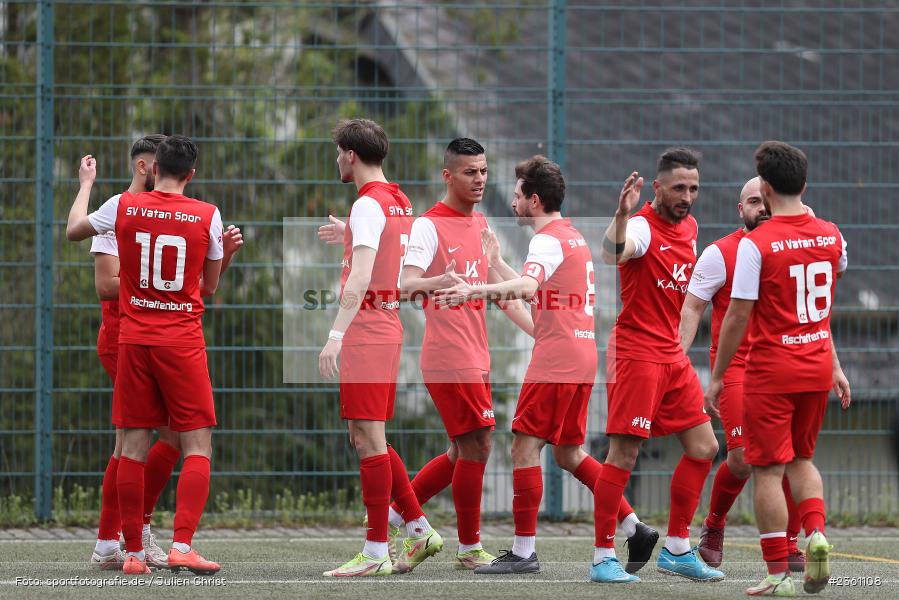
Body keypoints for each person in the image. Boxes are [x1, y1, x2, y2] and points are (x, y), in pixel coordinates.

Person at [435, 156, 656, 576]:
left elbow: (526, 286)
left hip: (556, 362)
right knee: (570, 454)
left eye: (517, 195)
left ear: (533, 200)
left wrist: (474, 290)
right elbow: (537, 306)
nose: (513, 202)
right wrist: (497, 263)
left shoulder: (546, 241)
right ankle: (633, 525)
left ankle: (523, 552)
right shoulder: (569, 237)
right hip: (580, 356)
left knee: (524, 447)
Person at [67, 135, 226, 576]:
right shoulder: (207, 214)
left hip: (134, 338)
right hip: (181, 340)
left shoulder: (122, 207)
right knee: (197, 442)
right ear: (191, 175)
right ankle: (181, 544)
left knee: (131, 446)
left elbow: (74, 231)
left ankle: (132, 552)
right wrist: (224, 254)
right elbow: (208, 287)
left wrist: (84, 185)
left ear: (154, 169)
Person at [705, 141, 850, 596]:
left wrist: (717, 374)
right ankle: (816, 533)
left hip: (772, 370)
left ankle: (777, 573)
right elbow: (833, 279)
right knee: (803, 461)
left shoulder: (755, 245)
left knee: (767, 469)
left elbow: (737, 315)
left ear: (764, 189)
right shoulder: (831, 235)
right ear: (804, 183)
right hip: (816, 367)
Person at [592, 148, 724, 584]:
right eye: (679, 187)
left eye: (694, 188)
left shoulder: (691, 227)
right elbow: (615, 251)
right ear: (657, 187)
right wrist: (621, 214)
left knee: (705, 448)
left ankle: (677, 548)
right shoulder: (643, 228)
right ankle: (602, 557)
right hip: (637, 354)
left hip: (671, 356)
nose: (687, 195)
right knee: (624, 453)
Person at [318, 119, 441, 577]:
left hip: (367, 330)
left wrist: (335, 334)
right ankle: (417, 527)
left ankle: (375, 553)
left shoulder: (368, 205)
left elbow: (364, 274)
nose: (337, 161)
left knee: (368, 440)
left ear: (350, 155)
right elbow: (382, 250)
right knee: (367, 436)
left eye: (338, 153)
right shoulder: (398, 199)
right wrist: (348, 234)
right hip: (386, 326)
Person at [679, 177, 805, 572]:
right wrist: (676, 359)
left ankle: (789, 542)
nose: (761, 207)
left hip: (786, 367)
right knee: (744, 459)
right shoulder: (719, 253)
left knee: (792, 457)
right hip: (736, 369)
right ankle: (714, 524)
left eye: (765, 199)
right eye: (753, 201)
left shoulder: (796, 245)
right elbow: (692, 309)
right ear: (741, 209)